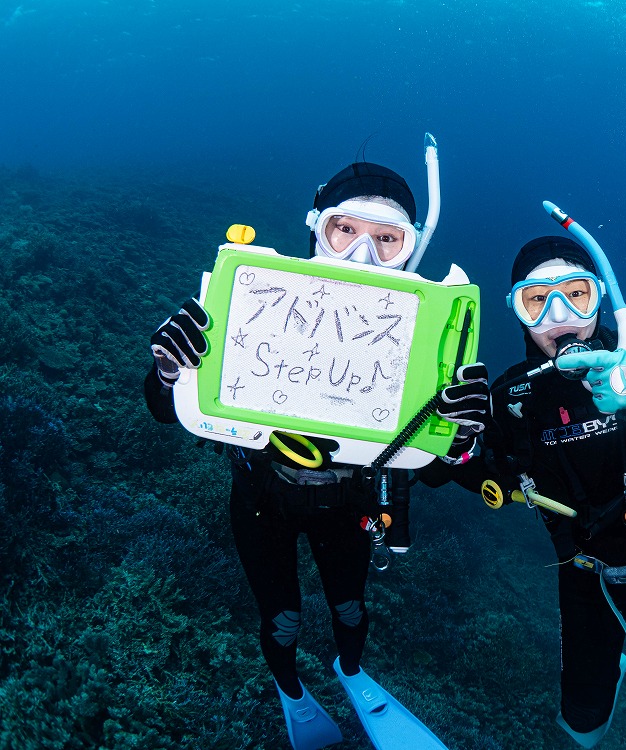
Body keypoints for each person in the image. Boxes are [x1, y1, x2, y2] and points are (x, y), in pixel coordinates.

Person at [144, 156, 489, 750]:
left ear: (409, 251)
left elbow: (435, 468)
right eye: (344, 230)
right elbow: (165, 407)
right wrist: (170, 370)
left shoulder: (426, 342)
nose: (363, 254)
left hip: (349, 505)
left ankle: (349, 670)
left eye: (387, 240)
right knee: (282, 618)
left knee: (350, 608)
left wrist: (462, 433)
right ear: (317, 230)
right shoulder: (256, 298)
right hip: (260, 498)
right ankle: (291, 691)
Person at [424, 231, 626, 747]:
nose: (560, 316)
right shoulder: (514, 396)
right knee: (582, 717)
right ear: (518, 313)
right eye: (536, 300)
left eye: (576, 294)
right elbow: (457, 475)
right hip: (584, 573)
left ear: (601, 297)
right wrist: (449, 439)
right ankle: (608, 667)